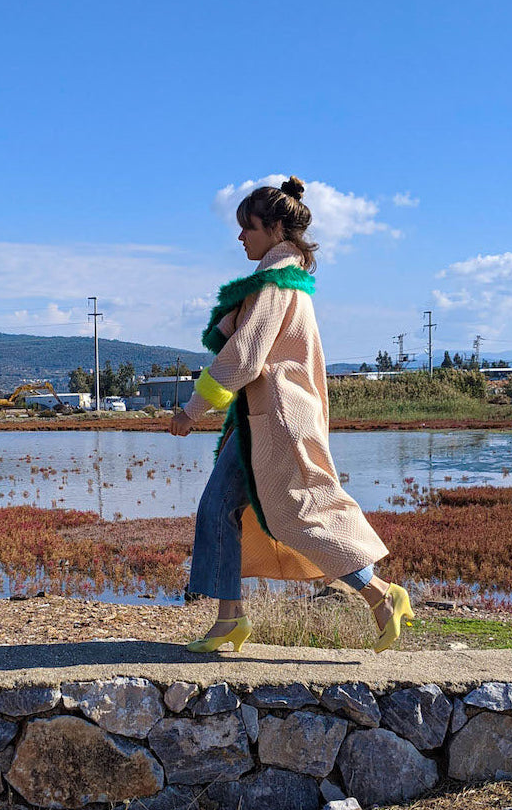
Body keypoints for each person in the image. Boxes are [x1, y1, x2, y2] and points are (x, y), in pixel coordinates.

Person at [170, 175, 414, 653]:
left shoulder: (275, 286)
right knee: (219, 510)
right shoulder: (281, 283)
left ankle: (382, 594)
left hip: (278, 422)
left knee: (301, 516)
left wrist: (193, 409)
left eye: (250, 227)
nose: (241, 236)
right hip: (261, 421)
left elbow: (244, 356)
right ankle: (228, 619)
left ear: (277, 229)